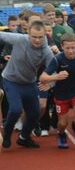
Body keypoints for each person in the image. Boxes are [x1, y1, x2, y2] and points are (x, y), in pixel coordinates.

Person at [1, 20, 55, 149]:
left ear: (44, 36)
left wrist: (51, 83)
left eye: (40, 37)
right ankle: (7, 133)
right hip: (11, 80)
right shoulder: (20, 39)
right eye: (34, 37)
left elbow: (54, 68)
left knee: (35, 113)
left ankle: (24, 138)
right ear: (28, 34)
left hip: (29, 83)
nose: (37, 40)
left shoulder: (46, 51)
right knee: (15, 109)